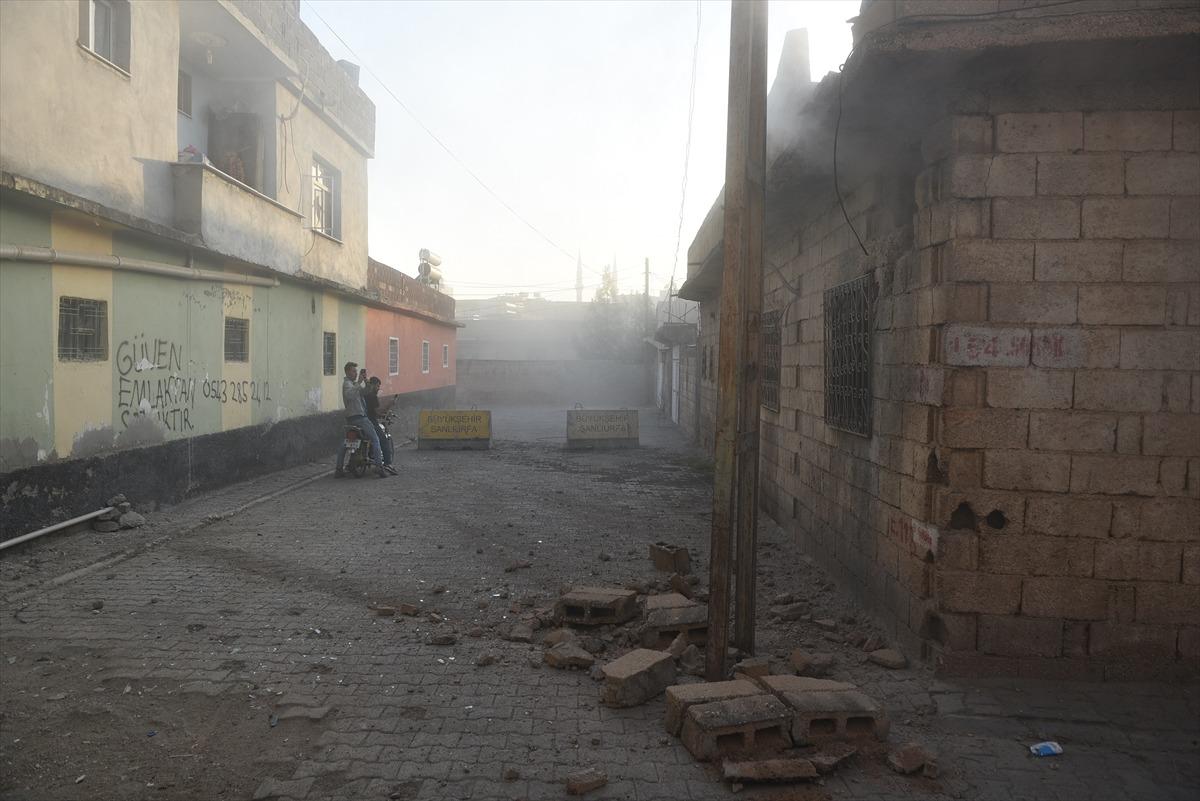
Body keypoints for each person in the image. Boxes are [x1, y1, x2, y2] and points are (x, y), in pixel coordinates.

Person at [334, 361, 387, 478]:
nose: (355, 373)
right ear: (347, 371)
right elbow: (349, 395)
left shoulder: (353, 384)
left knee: (345, 444)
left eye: (356, 371)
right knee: (375, 439)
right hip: (359, 417)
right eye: (353, 371)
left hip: (352, 419)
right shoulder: (347, 384)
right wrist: (358, 382)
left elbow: (364, 392)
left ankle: (339, 468)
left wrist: (367, 383)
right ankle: (379, 466)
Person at [364, 376, 397, 474]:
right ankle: (388, 464)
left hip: (362, 419)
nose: (378, 388)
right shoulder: (372, 396)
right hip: (371, 421)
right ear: (373, 385)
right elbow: (377, 411)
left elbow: (374, 411)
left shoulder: (364, 395)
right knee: (382, 440)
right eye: (377, 386)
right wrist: (390, 404)